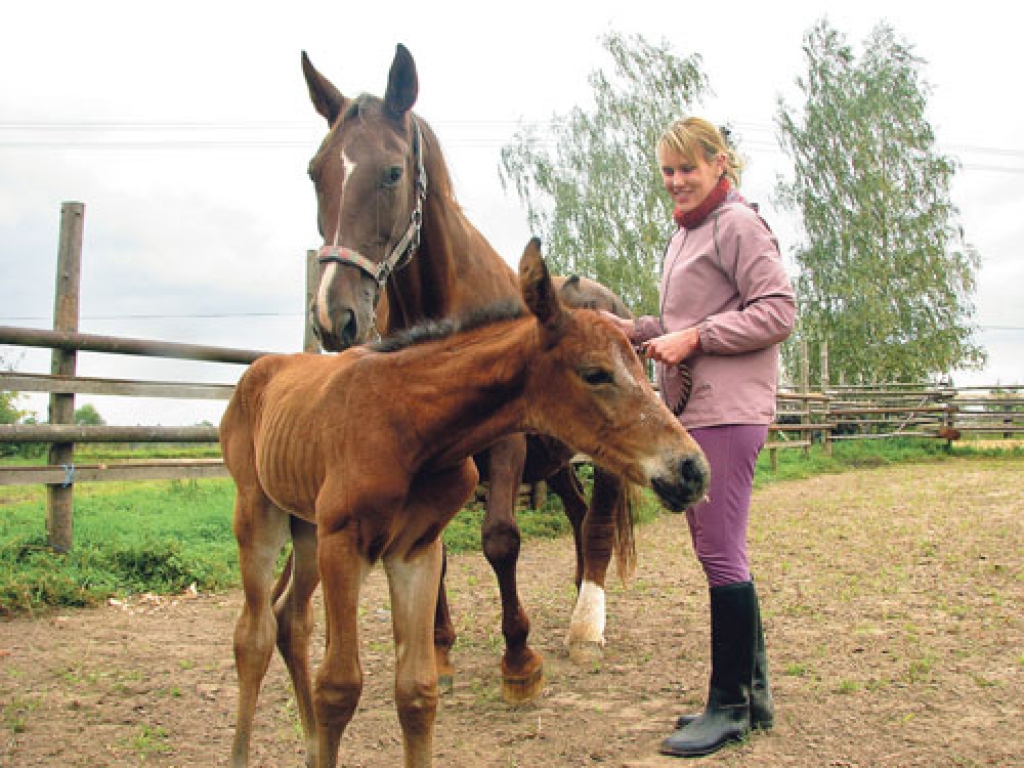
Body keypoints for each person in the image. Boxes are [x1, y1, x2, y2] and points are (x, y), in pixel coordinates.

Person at [604, 117, 796, 758]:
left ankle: (728, 708)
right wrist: (635, 327)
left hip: (729, 409)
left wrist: (697, 338)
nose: (676, 181)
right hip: (697, 408)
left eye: (687, 168)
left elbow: (777, 309)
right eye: (667, 170)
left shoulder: (738, 225)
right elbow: (687, 319)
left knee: (718, 553)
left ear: (720, 164)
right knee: (724, 549)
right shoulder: (688, 235)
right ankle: (753, 696)